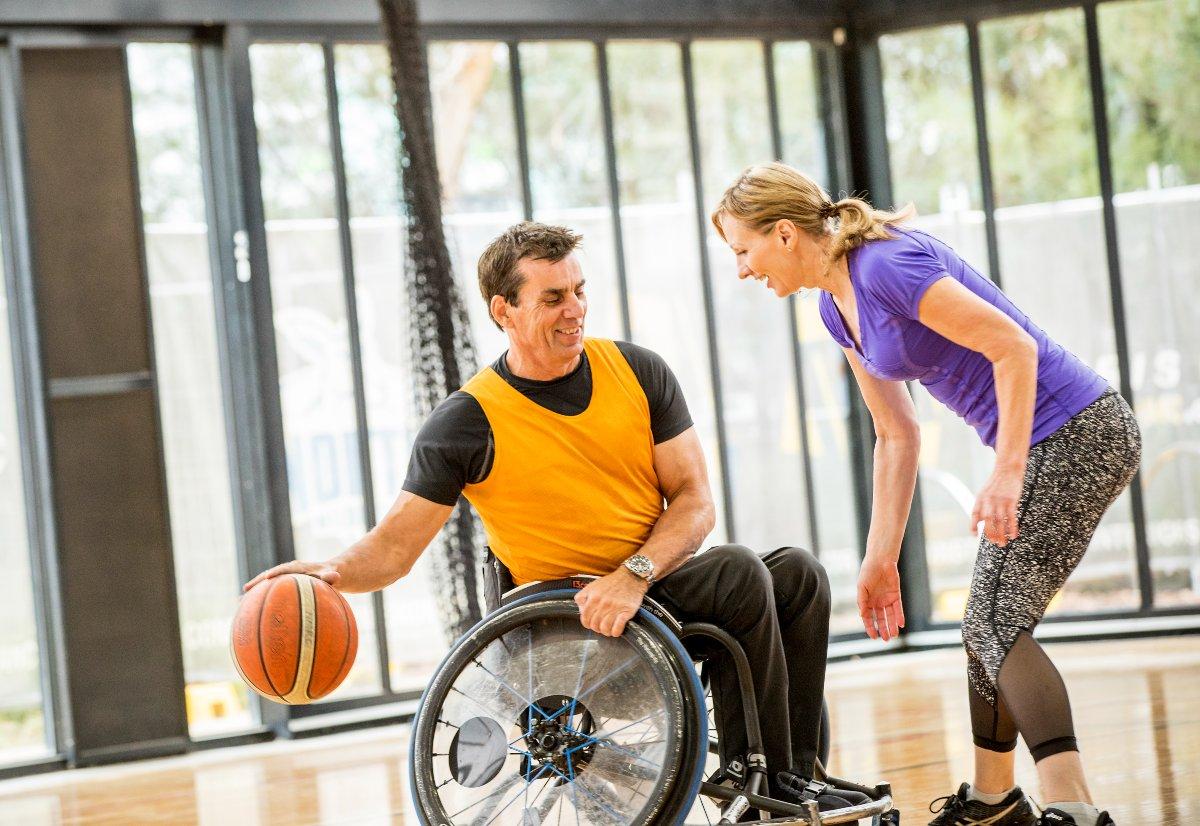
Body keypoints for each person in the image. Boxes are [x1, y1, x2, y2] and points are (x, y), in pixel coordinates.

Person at [245, 221, 871, 812]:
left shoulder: (638, 370)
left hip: (644, 592)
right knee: (737, 572)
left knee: (798, 574)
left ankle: (792, 776)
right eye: (552, 298)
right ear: (504, 312)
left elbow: (695, 501)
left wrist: (634, 574)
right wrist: (329, 572)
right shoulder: (466, 422)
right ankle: (754, 777)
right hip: (563, 627)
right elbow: (394, 549)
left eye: (578, 291)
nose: (574, 310)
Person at [712, 162, 1139, 826]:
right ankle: (994, 802)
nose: (742, 268)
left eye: (744, 250)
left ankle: (1075, 809)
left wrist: (1006, 472)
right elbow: (896, 434)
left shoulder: (887, 266)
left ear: (787, 234)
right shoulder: (835, 307)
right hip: (1051, 438)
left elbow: (1014, 348)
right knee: (987, 623)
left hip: (1080, 431)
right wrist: (880, 557)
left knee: (993, 622)